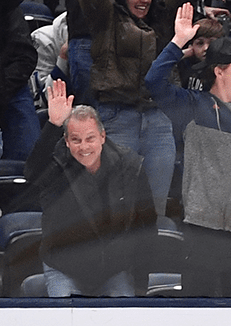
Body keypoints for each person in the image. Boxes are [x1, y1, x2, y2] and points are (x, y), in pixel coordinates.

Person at [75, 0, 204, 216]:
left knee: (155, 209)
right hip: (116, 119)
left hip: (158, 120)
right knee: (115, 209)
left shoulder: (162, 18)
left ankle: (151, 265)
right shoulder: (105, 17)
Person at [146, 4, 231, 298]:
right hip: (202, 235)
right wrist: (177, 42)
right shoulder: (193, 107)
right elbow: (153, 82)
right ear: (219, 71)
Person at [25, 80, 156, 298]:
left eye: (90, 138)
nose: (84, 147)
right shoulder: (56, 162)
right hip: (63, 267)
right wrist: (53, 125)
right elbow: (31, 174)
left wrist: (141, 282)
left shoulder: (130, 165)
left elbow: (146, 227)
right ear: (66, 141)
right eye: (76, 140)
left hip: (113, 270)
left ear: (102, 137)